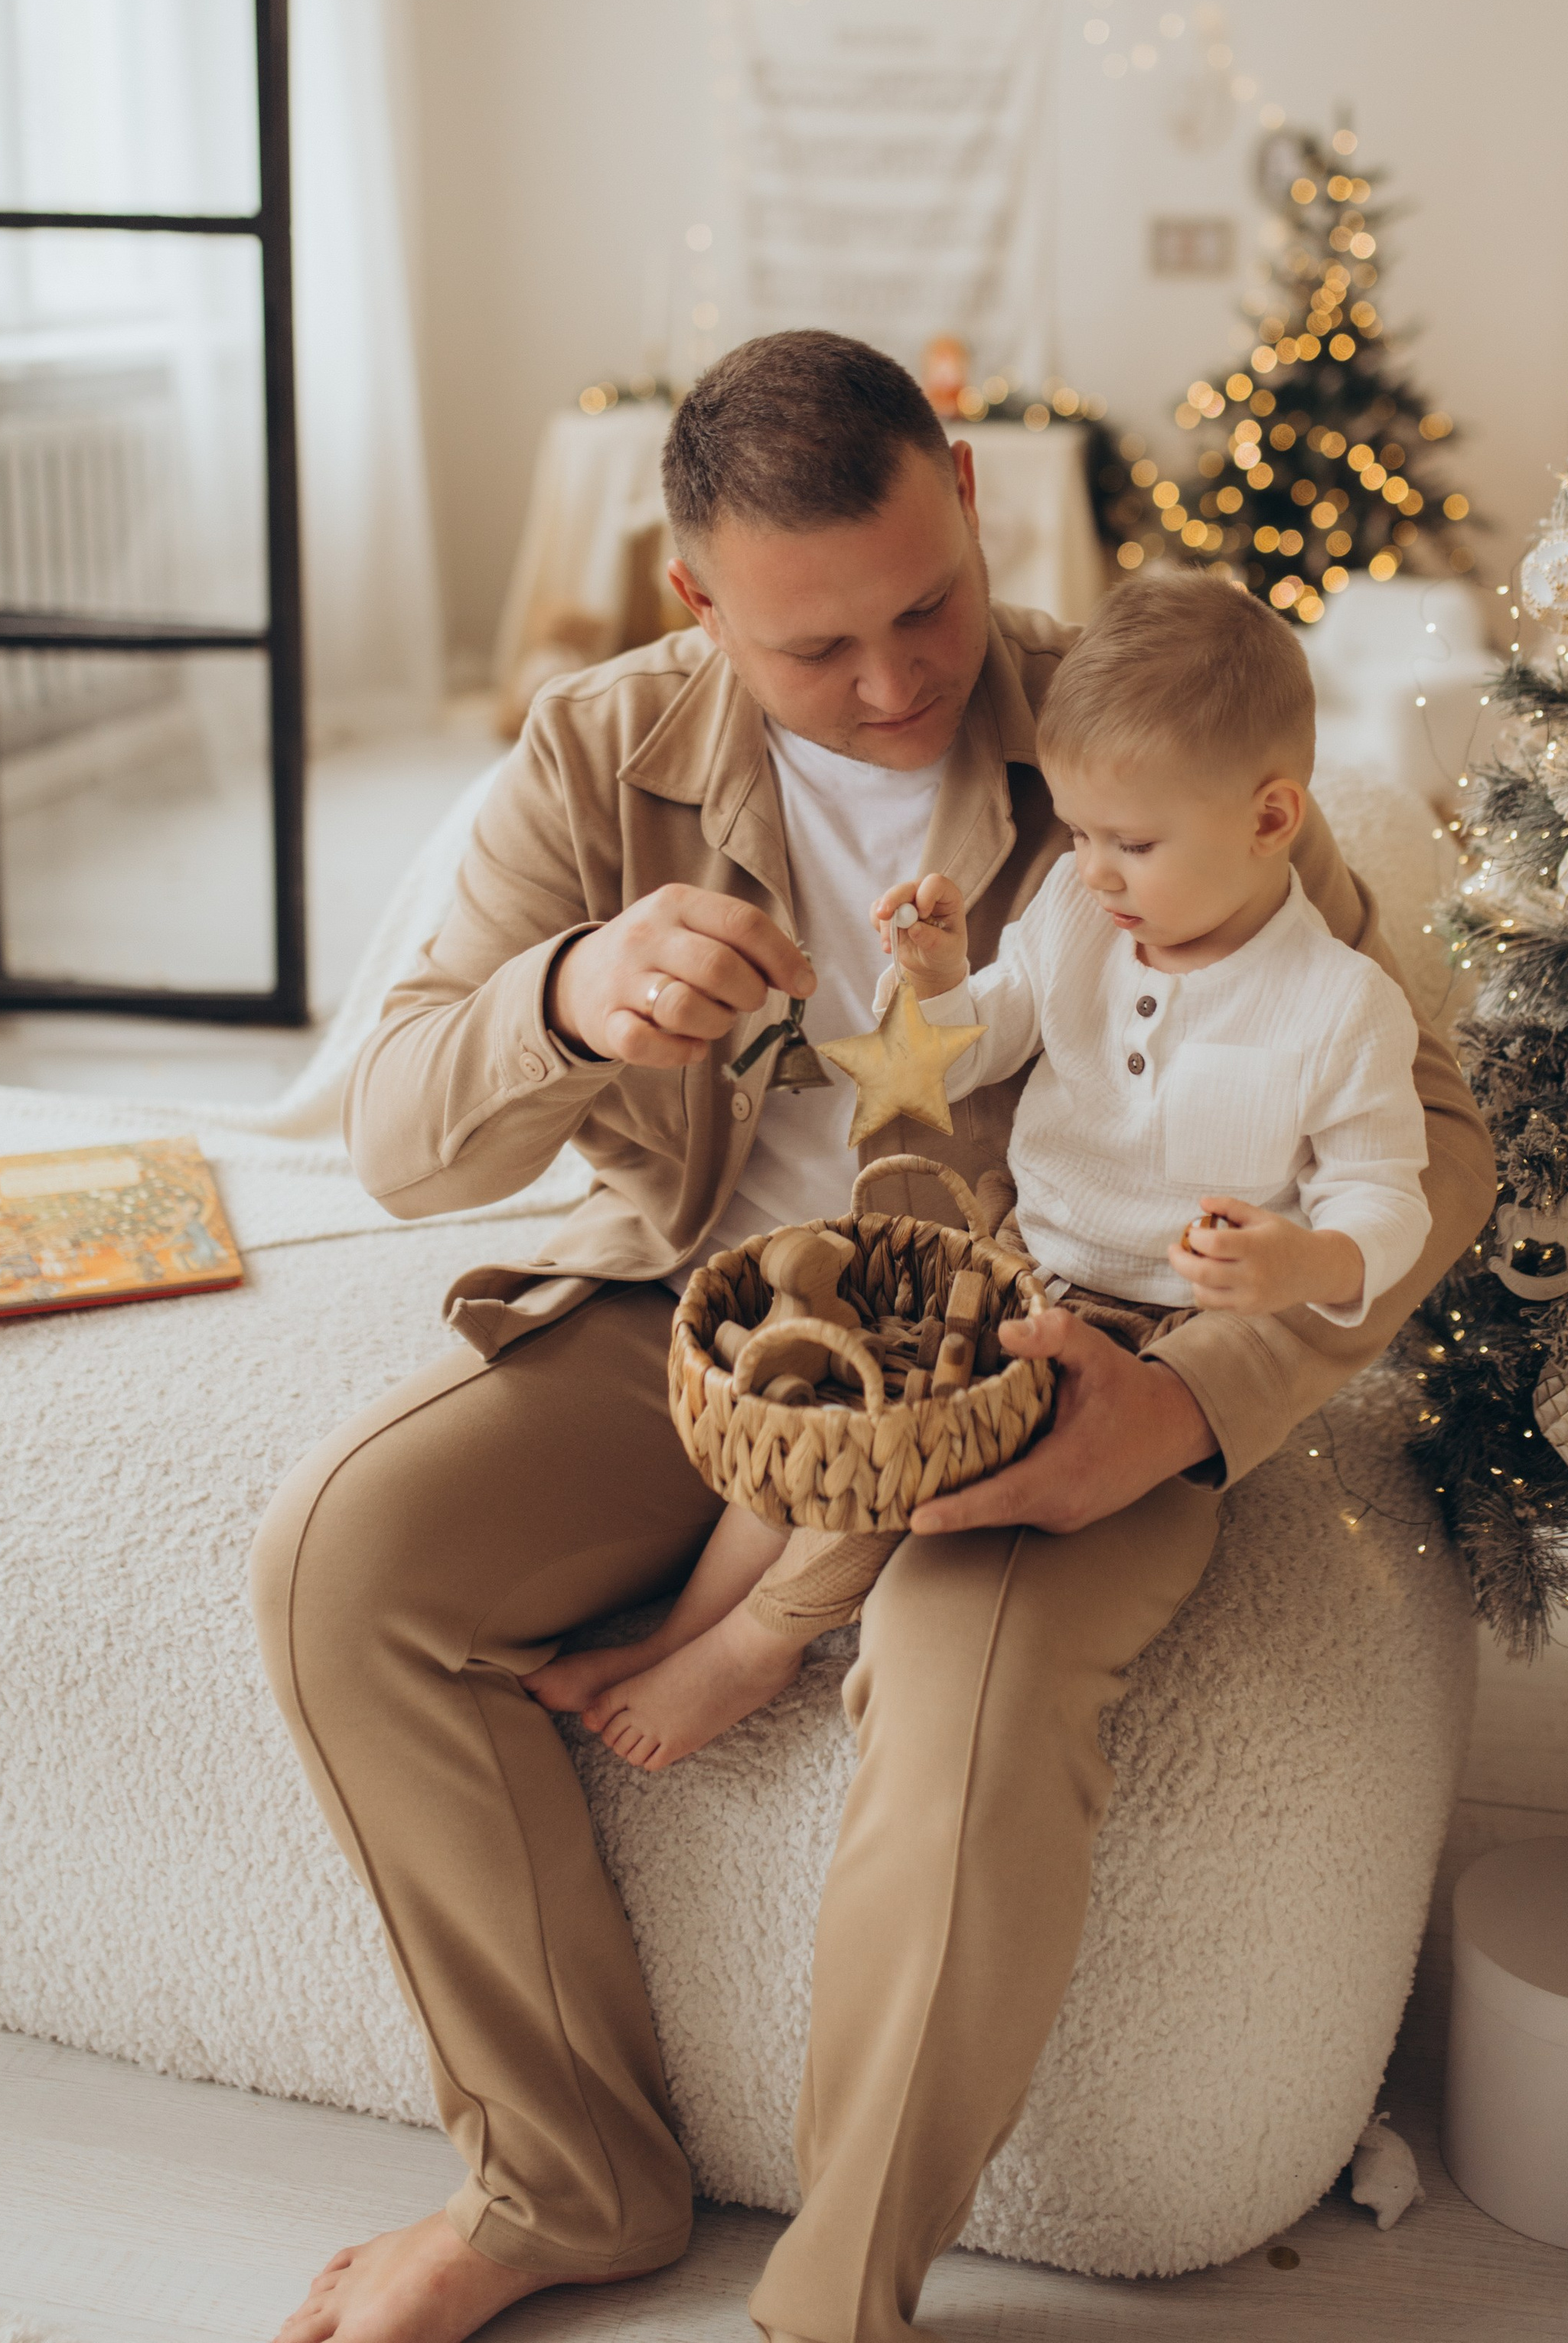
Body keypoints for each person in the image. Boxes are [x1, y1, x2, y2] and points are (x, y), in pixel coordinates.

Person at [252, 329, 1496, 2343]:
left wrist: (1184, 1407)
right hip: (694, 1319)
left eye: (928, 607)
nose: (902, 682)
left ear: (972, 506)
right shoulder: (600, 753)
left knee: (978, 1702)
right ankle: (564, 2185)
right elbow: (396, 1136)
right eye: (819, 649)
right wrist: (569, 999)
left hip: (1048, 1363)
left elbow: (1419, 1134)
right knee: (341, 1563)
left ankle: (835, 2304)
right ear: (696, 601)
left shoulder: (1125, 725)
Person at [540, 565, 1433, 1771]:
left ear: (1271, 821)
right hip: (1014, 1263)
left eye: (1133, 842)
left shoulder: (1337, 1006)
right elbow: (983, 1041)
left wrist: (1306, 1257)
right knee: (824, 1414)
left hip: (1145, 1334)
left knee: (903, 1460)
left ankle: (749, 1649)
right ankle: (681, 1632)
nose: (1095, 870)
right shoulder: (1080, 905)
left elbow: (1388, 1197)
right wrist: (937, 975)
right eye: (1077, 834)